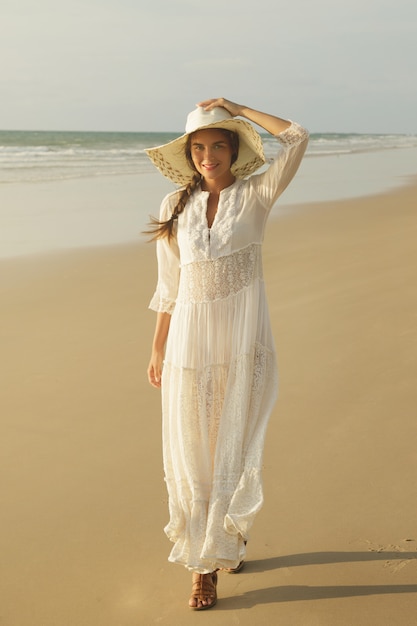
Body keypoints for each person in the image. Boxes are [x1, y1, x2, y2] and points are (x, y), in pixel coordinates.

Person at [145, 98, 309, 610]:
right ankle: (203, 566)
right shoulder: (174, 206)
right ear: (189, 154)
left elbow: (298, 136)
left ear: (234, 151)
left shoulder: (257, 193)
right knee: (194, 451)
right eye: (199, 147)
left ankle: (223, 540)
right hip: (189, 346)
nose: (208, 155)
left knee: (229, 446)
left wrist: (237, 109)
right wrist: (157, 347)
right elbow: (169, 286)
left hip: (242, 343)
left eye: (218, 144)